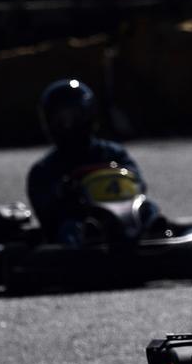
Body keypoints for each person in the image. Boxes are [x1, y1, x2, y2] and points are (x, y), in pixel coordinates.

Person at [25, 79, 150, 244]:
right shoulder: (44, 169)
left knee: (149, 209)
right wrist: (64, 192)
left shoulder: (113, 153)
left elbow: (137, 182)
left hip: (124, 215)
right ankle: (88, 242)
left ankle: (155, 235)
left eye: (75, 116)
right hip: (79, 221)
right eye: (61, 119)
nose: (68, 125)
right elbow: (45, 211)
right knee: (70, 228)